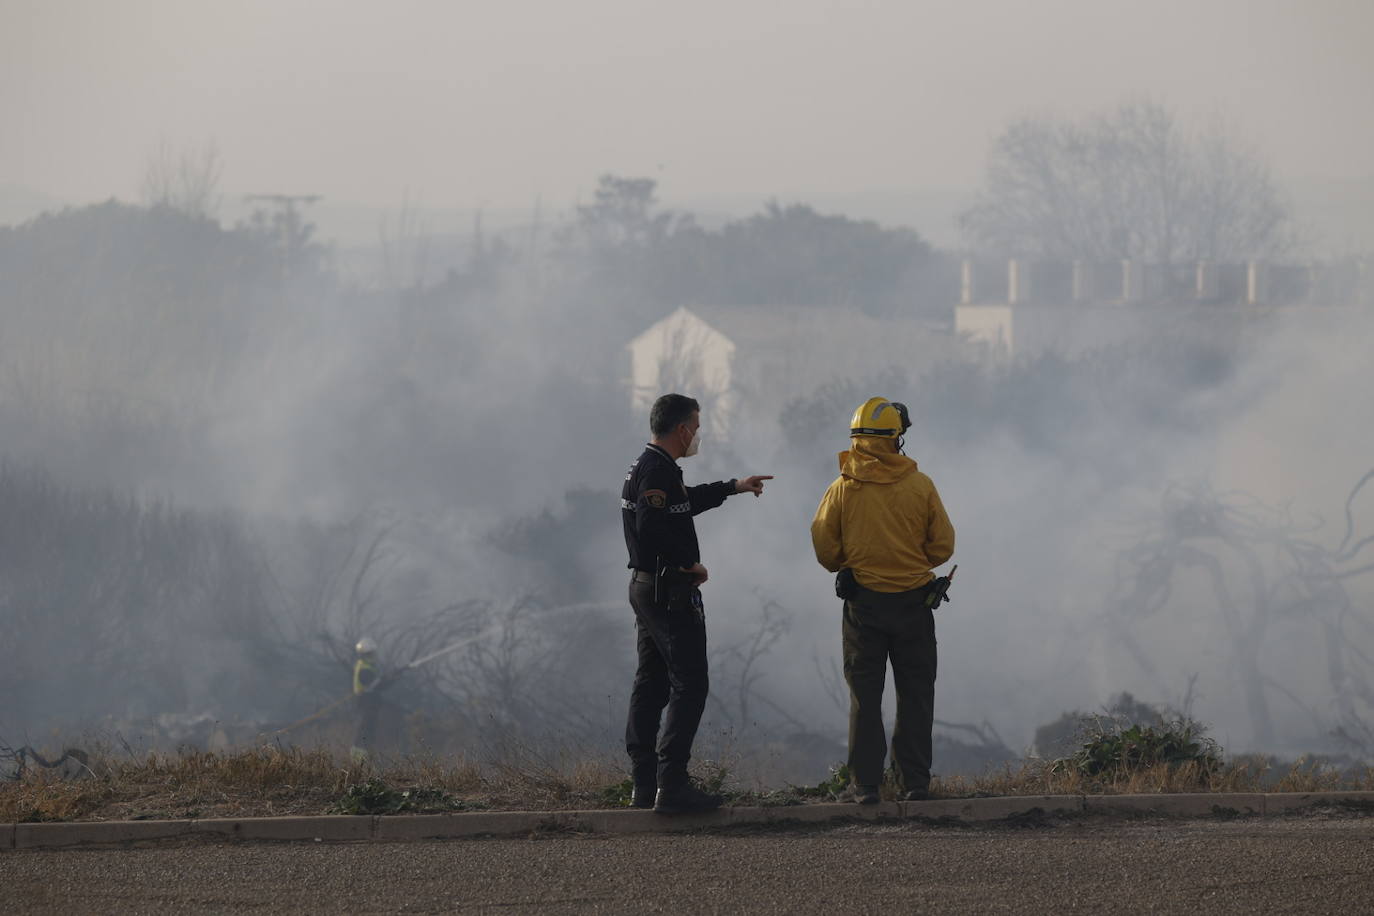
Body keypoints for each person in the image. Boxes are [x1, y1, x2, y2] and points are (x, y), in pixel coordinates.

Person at [622, 393, 773, 814]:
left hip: (648, 587)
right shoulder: (655, 470)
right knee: (690, 683)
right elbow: (651, 527)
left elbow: (681, 504)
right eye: (697, 428)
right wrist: (689, 564)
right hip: (667, 591)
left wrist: (733, 487)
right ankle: (671, 786)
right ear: (683, 429)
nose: (698, 436)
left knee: (651, 682)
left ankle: (644, 784)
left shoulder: (655, 467)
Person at [810, 397, 955, 803]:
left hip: (863, 607)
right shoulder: (921, 486)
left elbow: (825, 548)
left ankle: (866, 786)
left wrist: (849, 563)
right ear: (896, 438)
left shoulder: (842, 488)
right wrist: (912, 562)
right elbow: (942, 547)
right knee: (915, 696)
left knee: (865, 699)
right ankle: (915, 784)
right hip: (914, 605)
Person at [351, 637, 381, 761]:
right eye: (371, 653)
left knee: (369, 730)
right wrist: (392, 676)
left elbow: (378, 683)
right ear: (365, 655)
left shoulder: (367, 666)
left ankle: (366, 759)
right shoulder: (364, 669)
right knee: (364, 730)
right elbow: (377, 684)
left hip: (368, 701)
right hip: (365, 702)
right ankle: (358, 761)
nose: (374, 656)